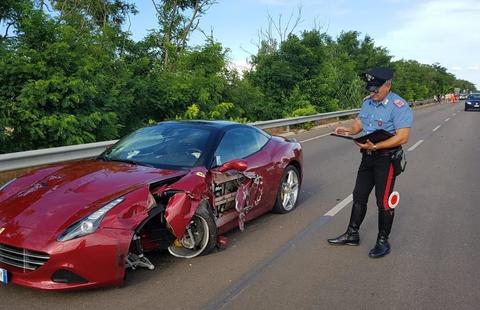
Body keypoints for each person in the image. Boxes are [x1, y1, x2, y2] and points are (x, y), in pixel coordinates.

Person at [327, 68, 413, 258]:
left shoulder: (399, 106)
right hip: (368, 156)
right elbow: (360, 123)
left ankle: (383, 241)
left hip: (387, 160)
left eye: (376, 90)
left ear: (387, 85)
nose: (372, 93)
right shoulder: (368, 102)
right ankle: (352, 234)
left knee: (383, 201)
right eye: (371, 90)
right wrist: (349, 131)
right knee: (359, 196)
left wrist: (378, 146)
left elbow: (403, 137)